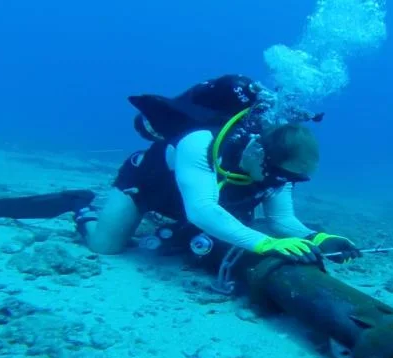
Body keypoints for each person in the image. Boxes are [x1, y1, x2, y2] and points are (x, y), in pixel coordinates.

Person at [75, 74, 362, 265]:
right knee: (105, 246)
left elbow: (283, 220)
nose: (286, 183)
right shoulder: (201, 142)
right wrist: (264, 244)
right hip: (150, 185)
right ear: (260, 154)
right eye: (286, 177)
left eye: (296, 179)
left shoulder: (278, 172)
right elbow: (201, 209)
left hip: (193, 202)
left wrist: (320, 238)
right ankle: (82, 208)